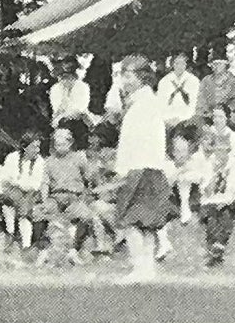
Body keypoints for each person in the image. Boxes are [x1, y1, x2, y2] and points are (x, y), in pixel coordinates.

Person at [109, 55, 180, 282]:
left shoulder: (143, 103)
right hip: (149, 167)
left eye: (128, 76)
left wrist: (123, 170)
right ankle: (146, 269)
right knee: (146, 224)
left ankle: (140, 269)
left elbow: (133, 142)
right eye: (122, 75)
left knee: (131, 222)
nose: (124, 81)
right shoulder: (143, 101)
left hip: (139, 168)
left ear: (141, 77)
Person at [35, 127, 97, 266]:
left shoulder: (79, 158)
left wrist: (85, 196)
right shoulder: (49, 161)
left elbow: (89, 180)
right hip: (55, 197)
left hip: (74, 197)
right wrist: (45, 201)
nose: (59, 147)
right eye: (57, 144)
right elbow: (45, 183)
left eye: (63, 144)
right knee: (38, 212)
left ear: (70, 143)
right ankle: (43, 251)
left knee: (86, 215)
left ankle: (74, 251)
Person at [197, 132, 235, 267]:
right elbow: (206, 191)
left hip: (228, 201)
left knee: (226, 216)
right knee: (211, 219)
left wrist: (225, 202)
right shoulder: (208, 164)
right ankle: (217, 249)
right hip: (210, 201)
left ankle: (217, 248)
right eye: (217, 150)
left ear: (228, 150)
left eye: (223, 150)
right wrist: (216, 174)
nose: (220, 153)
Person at [2, 132, 46, 257]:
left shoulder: (39, 162)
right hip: (13, 192)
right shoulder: (12, 158)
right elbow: (6, 177)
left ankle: (25, 244)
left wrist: (19, 183)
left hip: (31, 194)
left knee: (24, 203)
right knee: (12, 197)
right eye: (34, 147)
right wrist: (20, 184)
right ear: (25, 147)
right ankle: (11, 233)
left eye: (38, 147)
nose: (37, 150)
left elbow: (36, 184)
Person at [156, 54, 202, 127]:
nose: (180, 66)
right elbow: (161, 103)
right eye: (177, 63)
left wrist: (182, 119)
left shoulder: (193, 81)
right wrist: (167, 119)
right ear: (172, 65)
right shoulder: (164, 81)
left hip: (187, 120)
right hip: (167, 119)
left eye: (182, 63)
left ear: (186, 65)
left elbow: (194, 102)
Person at [48, 62, 94, 129]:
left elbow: (81, 108)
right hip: (61, 118)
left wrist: (68, 114)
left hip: (80, 117)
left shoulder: (83, 87)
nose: (65, 80)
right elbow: (57, 108)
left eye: (68, 77)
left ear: (73, 76)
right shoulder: (55, 88)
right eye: (61, 77)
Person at [199, 57, 235, 124]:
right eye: (214, 64)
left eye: (220, 64)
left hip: (226, 114)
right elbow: (201, 97)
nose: (217, 67)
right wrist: (206, 110)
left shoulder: (231, 80)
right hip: (209, 114)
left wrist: (227, 111)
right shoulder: (206, 80)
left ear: (225, 65)